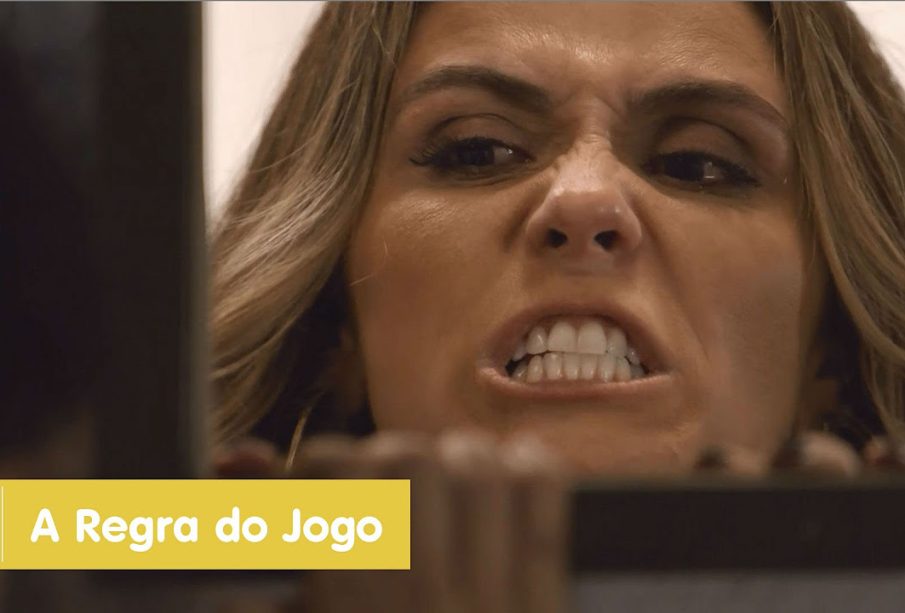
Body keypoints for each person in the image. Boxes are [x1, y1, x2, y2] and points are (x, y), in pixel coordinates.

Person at [210, 3, 905, 610]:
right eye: (477, 151)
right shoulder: (158, 536)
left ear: (832, 349)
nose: (584, 199)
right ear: (333, 316)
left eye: (696, 163)